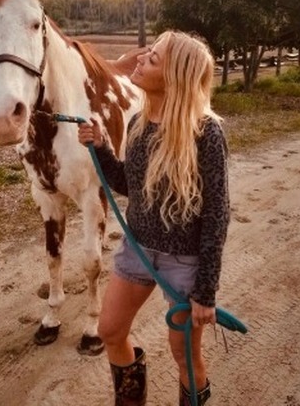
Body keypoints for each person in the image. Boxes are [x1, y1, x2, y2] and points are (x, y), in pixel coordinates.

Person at [77, 31, 231, 406]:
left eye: (154, 58)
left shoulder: (206, 133)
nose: (141, 59)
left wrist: (205, 290)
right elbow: (131, 185)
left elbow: (216, 215)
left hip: (185, 263)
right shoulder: (138, 125)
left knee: (184, 355)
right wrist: (101, 147)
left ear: (174, 76)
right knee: (111, 330)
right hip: (138, 251)